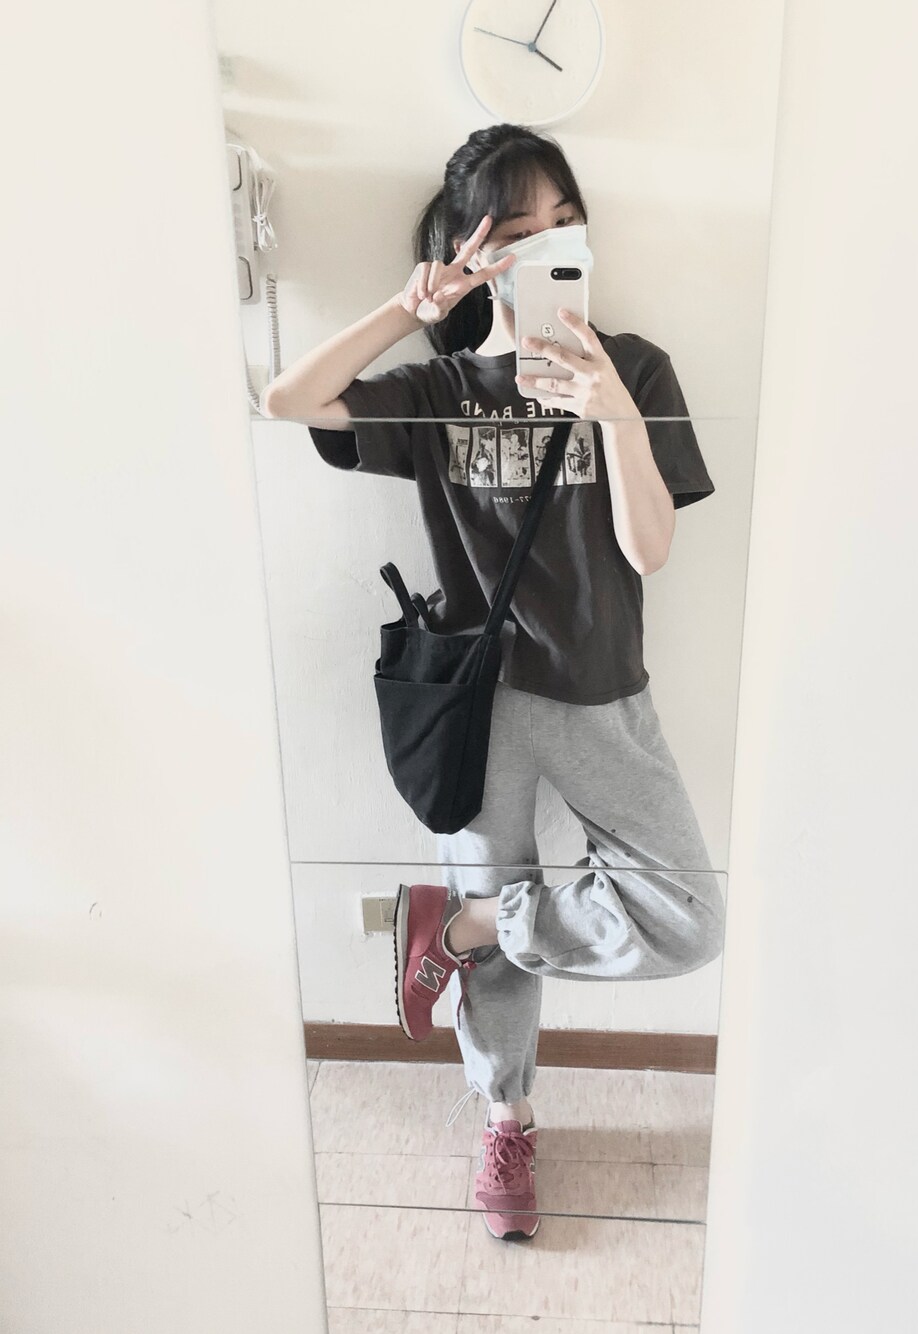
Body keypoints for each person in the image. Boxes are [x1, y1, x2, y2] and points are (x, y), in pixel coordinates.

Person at [262, 124, 725, 1242]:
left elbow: (651, 549)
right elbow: (288, 400)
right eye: (518, 232)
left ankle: (468, 922)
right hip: (482, 700)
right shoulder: (442, 389)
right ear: (474, 251)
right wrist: (408, 309)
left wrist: (613, 410)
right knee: (507, 894)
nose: (552, 243)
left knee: (688, 919)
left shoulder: (638, 368)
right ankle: (505, 1114)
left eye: (565, 221)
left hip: (602, 689)